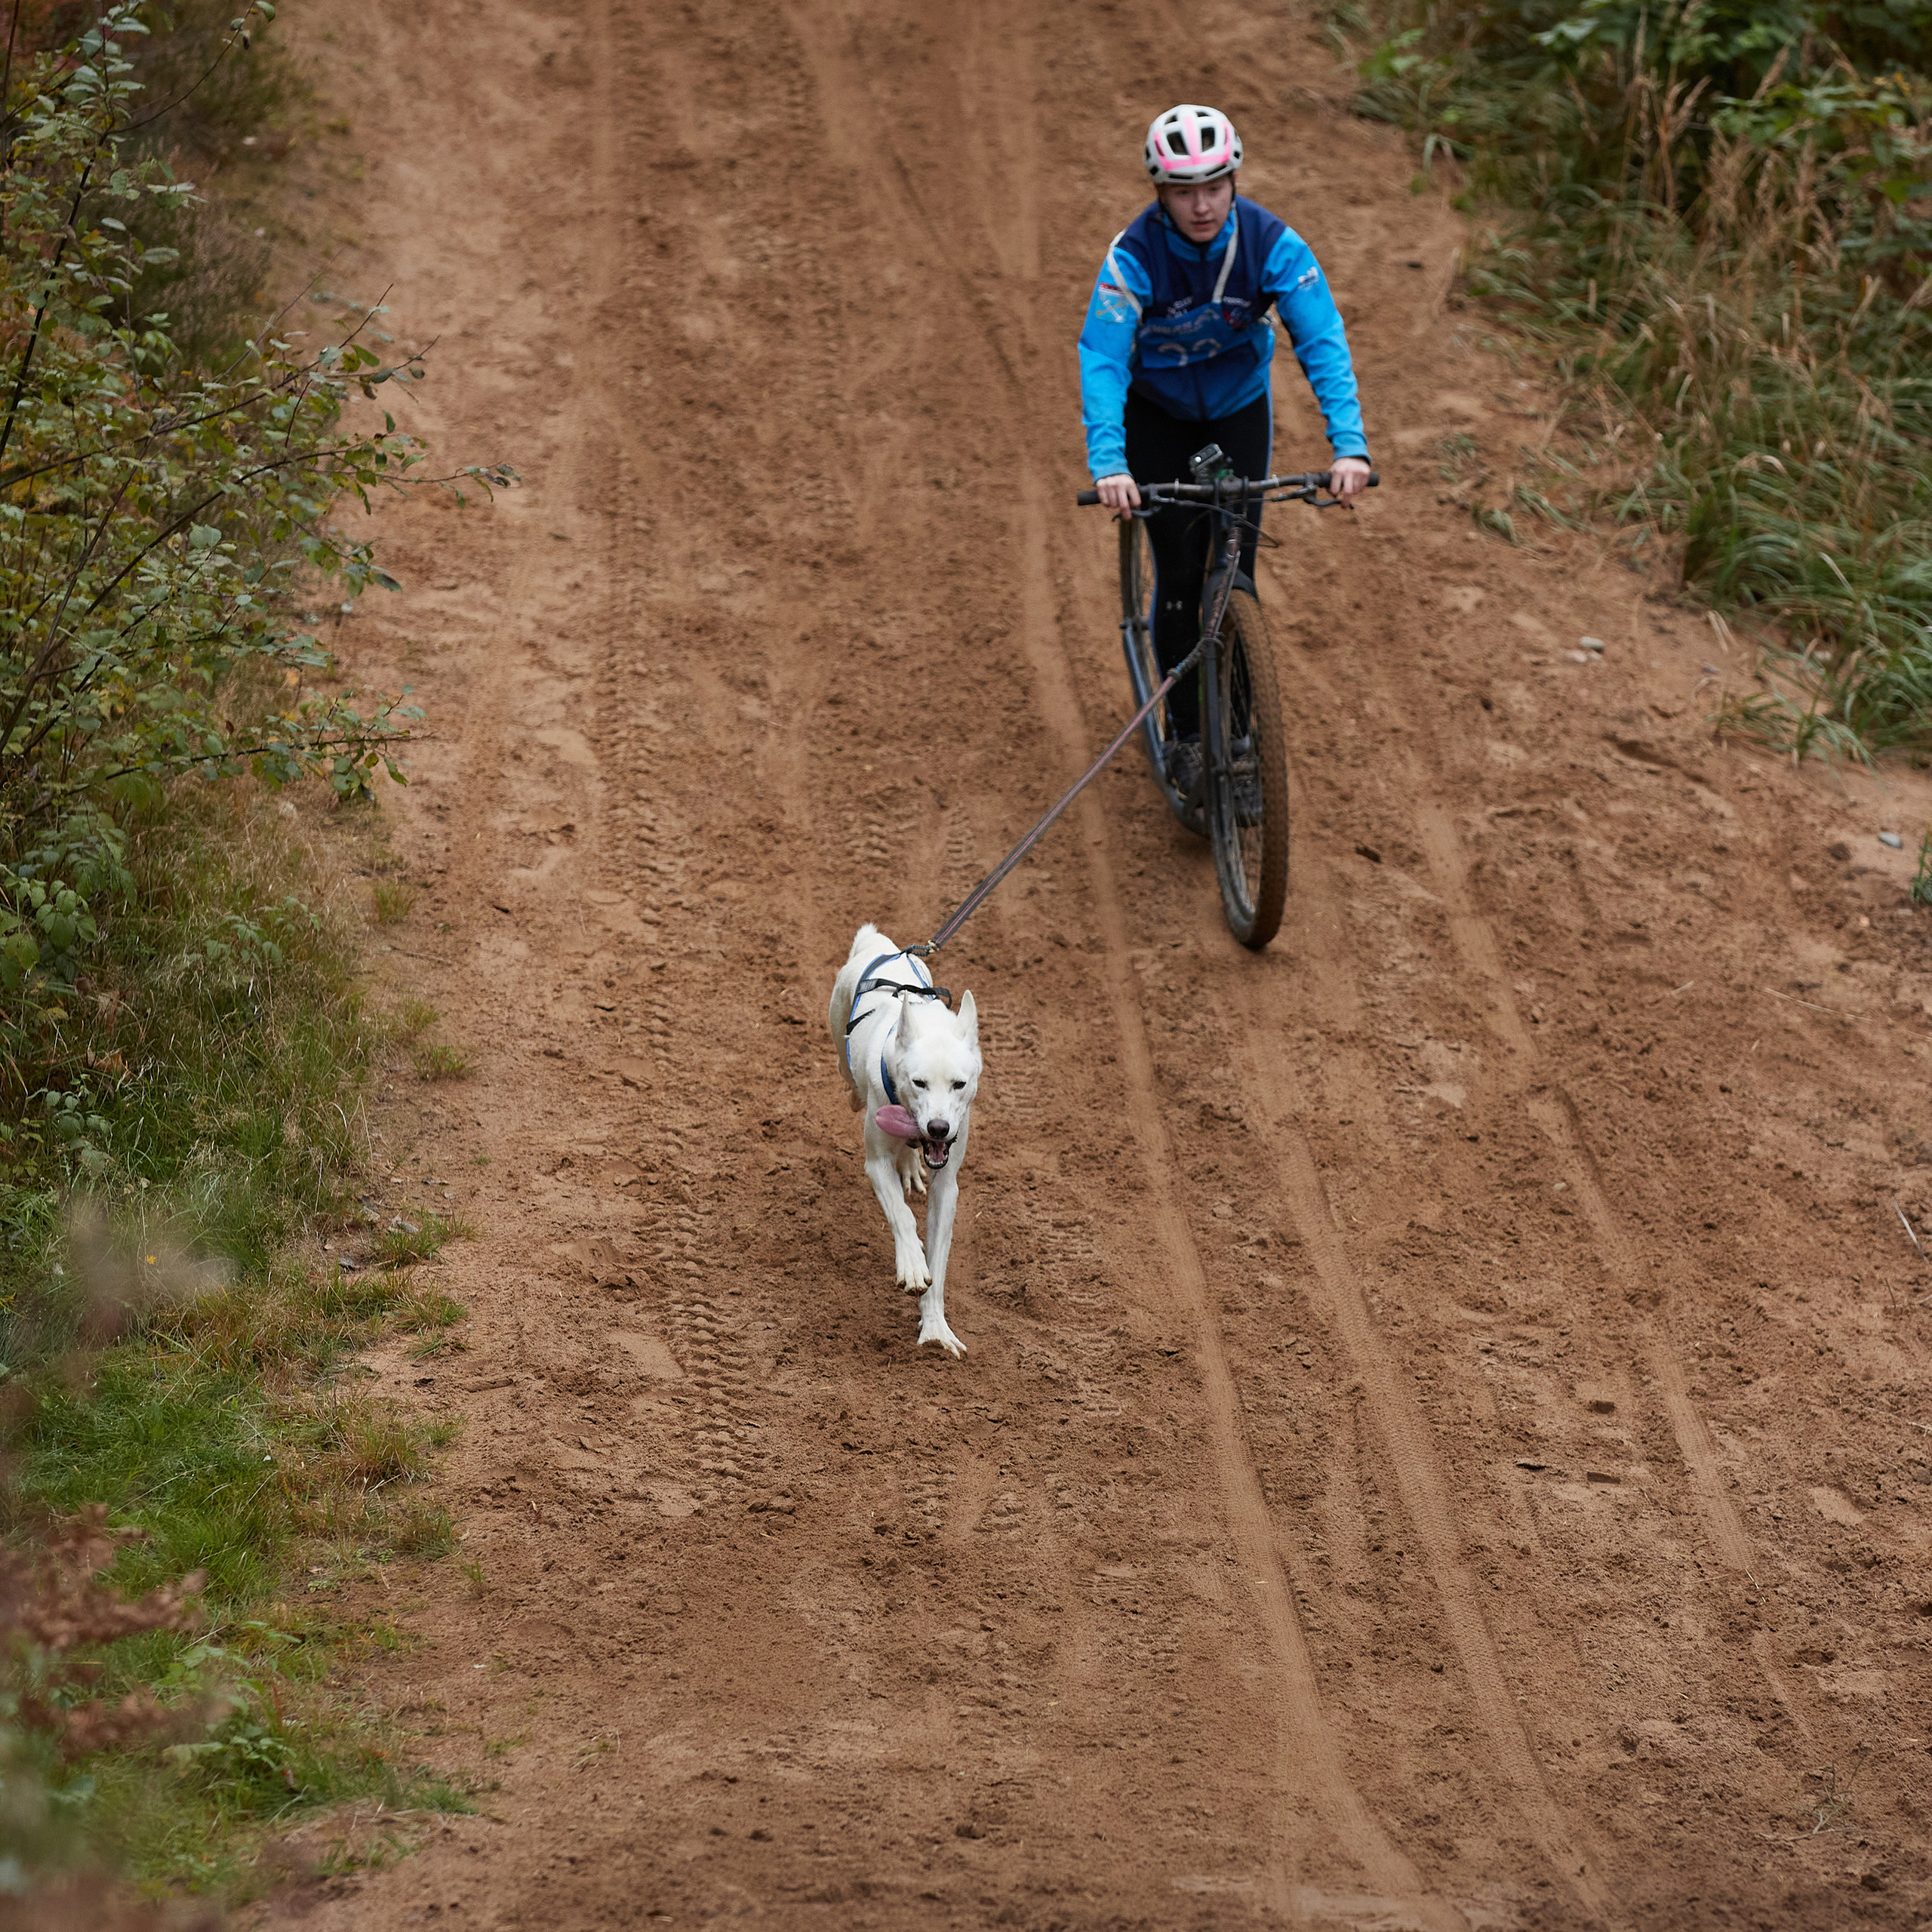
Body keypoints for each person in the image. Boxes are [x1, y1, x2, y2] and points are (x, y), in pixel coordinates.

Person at [1079, 103, 1371, 792]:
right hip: (1156, 415)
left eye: (1214, 186)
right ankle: (1186, 735)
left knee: (1235, 571)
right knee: (1182, 577)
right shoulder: (1133, 258)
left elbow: (1321, 338)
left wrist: (1350, 446)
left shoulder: (1274, 245)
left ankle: (1237, 737)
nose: (1202, 205)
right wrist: (1110, 462)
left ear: (1235, 180)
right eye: (1184, 191)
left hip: (1238, 411)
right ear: (1161, 192)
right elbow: (1103, 359)